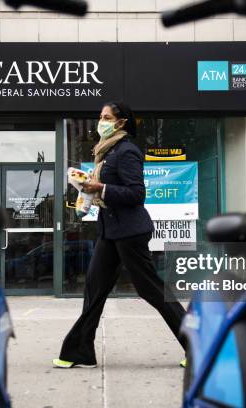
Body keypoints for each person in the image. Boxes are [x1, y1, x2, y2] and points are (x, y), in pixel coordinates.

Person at [52, 101, 187, 369]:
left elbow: (137, 194)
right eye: (100, 117)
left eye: (106, 117)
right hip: (111, 231)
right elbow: (107, 189)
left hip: (130, 231)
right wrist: (88, 189)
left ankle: (200, 345)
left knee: (152, 290)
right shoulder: (107, 151)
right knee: (94, 289)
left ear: (121, 122)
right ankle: (81, 352)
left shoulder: (127, 151)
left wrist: (100, 187)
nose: (100, 121)